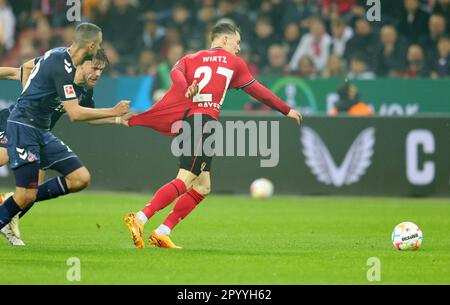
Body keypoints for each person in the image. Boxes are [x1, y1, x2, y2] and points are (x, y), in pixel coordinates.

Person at [123, 22, 302, 249]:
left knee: (203, 186)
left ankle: (162, 231)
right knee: (185, 179)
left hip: (188, 121)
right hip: (203, 123)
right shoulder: (234, 63)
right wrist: (286, 109)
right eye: (237, 42)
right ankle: (140, 217)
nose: (238, 48)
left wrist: (187, 86)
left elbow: (175, 73)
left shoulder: (190, 58)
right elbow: (259, 91)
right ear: (224, 39)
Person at [0, 23, 130, 235]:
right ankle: (11, 208)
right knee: (24, 192)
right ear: (90, 46)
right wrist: (113, 111)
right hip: (23, 124)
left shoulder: (80, 84)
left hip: (41, 130)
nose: (100, 48)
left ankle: (12, 203)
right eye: (99, 44)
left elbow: (86, 115)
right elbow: (75, 113)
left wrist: (116, 119)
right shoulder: (60, 64)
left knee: (80, 179)